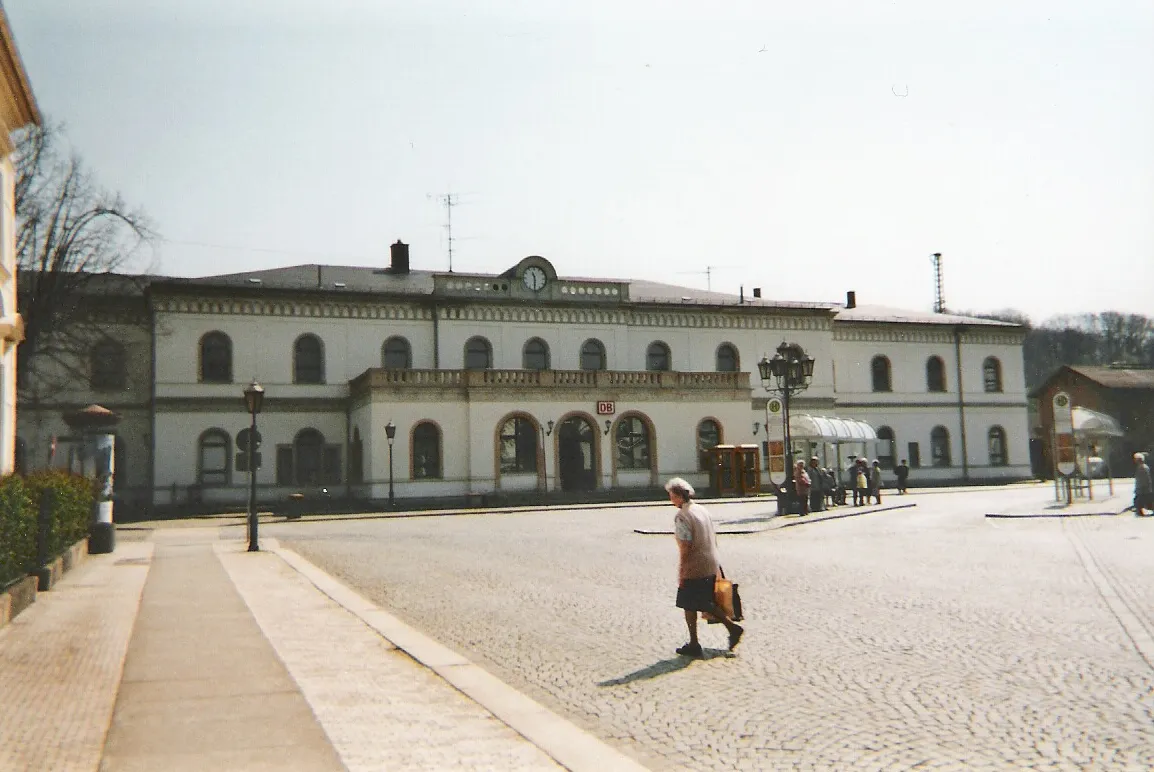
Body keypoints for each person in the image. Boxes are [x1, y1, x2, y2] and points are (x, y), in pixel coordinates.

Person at [666, 477, 743, 657]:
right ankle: (696, 641)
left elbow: (685, 545)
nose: (670, 500)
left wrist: (682, 569)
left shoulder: (682, 516)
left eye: (671, 495)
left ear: (678, 495)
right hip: (710, 560)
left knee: (693, 602)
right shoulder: (701, 509)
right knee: (700, 601)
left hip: (695, 564)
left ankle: (731, 628)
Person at [1135, 452, 1152, 517]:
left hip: (1143, 488)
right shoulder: (1142, 467)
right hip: (1142, 487)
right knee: (1143, 501)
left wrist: (1140, 487)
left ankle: (1139, 511)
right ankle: (1139, 511)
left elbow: (1144, 479)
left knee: (1143, 500)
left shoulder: (1143, 467)